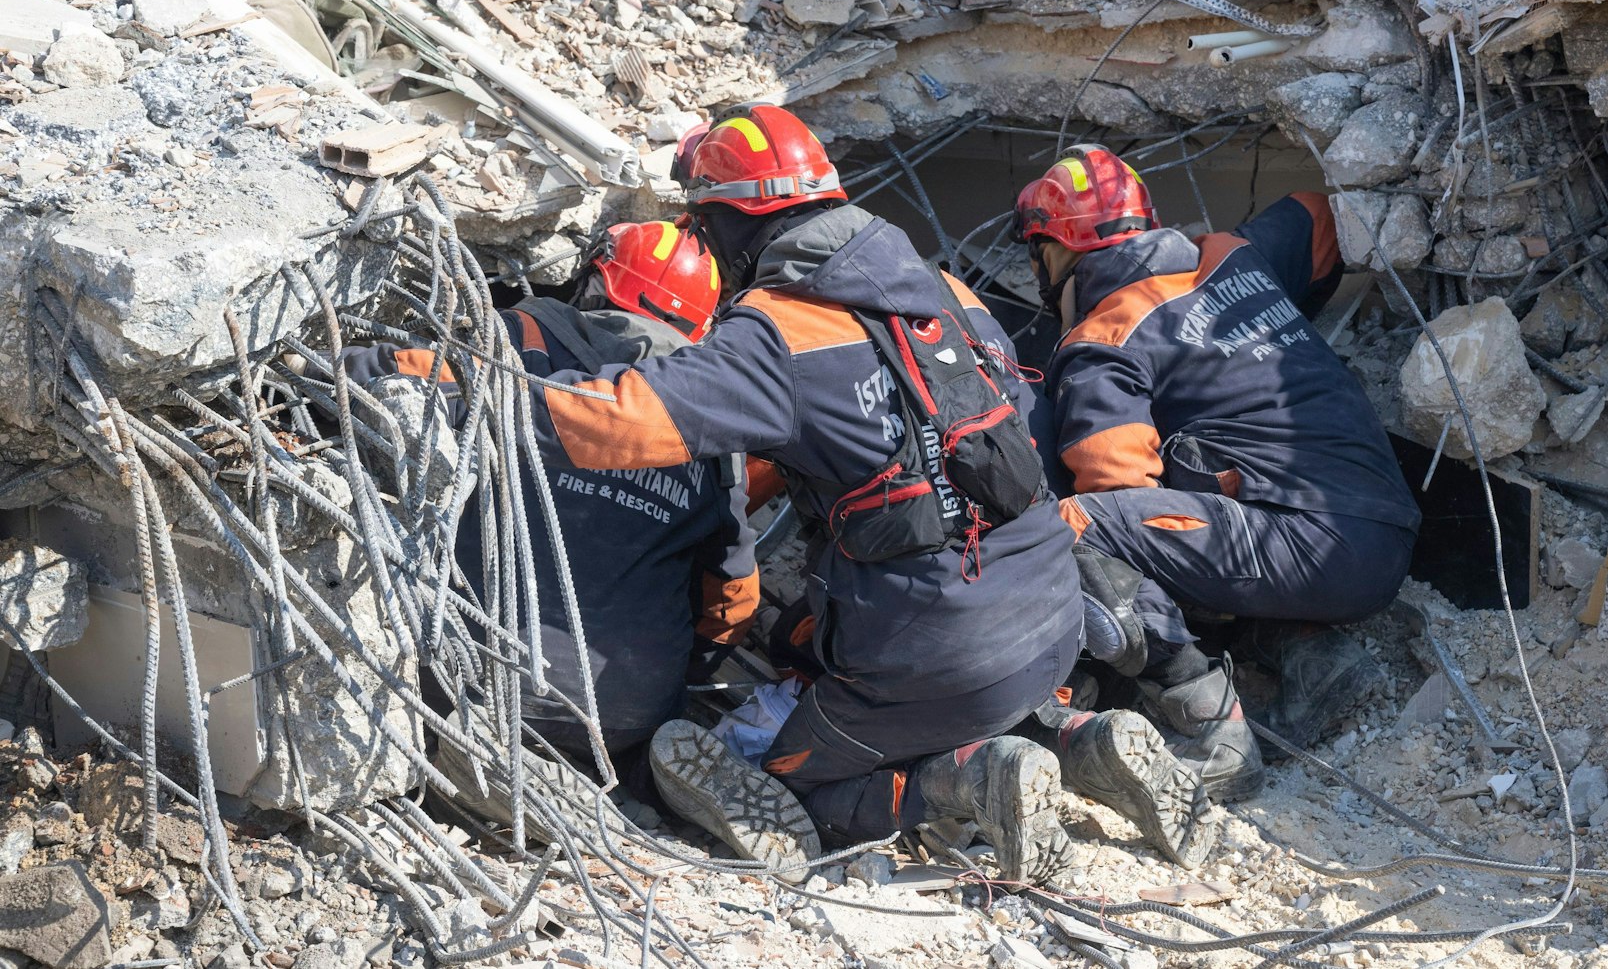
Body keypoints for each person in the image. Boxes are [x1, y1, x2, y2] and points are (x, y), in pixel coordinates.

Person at [523, 104, 1212, 882]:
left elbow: (621, 421)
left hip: (934, 648)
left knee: (771, 775)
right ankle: (1079, 740)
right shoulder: (945, 289)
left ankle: (967, 778)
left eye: (704, 227)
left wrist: (478, 383)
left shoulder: (775, 332)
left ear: (731, 221)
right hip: (1051, 610)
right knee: (833, 644)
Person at [341, 220, 820, 870]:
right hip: (627, 702)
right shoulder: (712, 422)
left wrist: (321, 364)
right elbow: (732, 596)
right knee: (633, 727)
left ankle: (491, 775)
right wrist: (687, 674)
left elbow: (380, 379)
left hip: (486, 671)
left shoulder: (516, 339)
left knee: (410, 666)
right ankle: (649, 780)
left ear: (596, 279)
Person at [1014, 145, 1423, 799]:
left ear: (1056, 252)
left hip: (1314, 547)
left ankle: (1210, 726)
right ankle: (1314, 658)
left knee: (1077, 530)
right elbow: (1320, 219)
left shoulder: (1105, 339)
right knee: (1204, 497)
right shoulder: (1234, 254)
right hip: (1390, 530)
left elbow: (1115, 495)